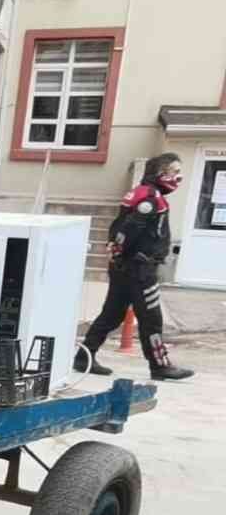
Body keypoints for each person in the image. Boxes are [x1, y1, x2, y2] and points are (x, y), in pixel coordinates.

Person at [75, 152, 194, 381]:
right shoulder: (151, 199)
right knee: (151, 319)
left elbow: (119, 227)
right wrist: (122, 254)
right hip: (139, 270)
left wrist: (117, 257)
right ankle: (160, 366)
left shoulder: (141, 193)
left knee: (112, 314)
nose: (178, 178)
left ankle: (83, 356)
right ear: (160, 174)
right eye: (175, 172)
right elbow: (127, 230)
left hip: (126, 268)